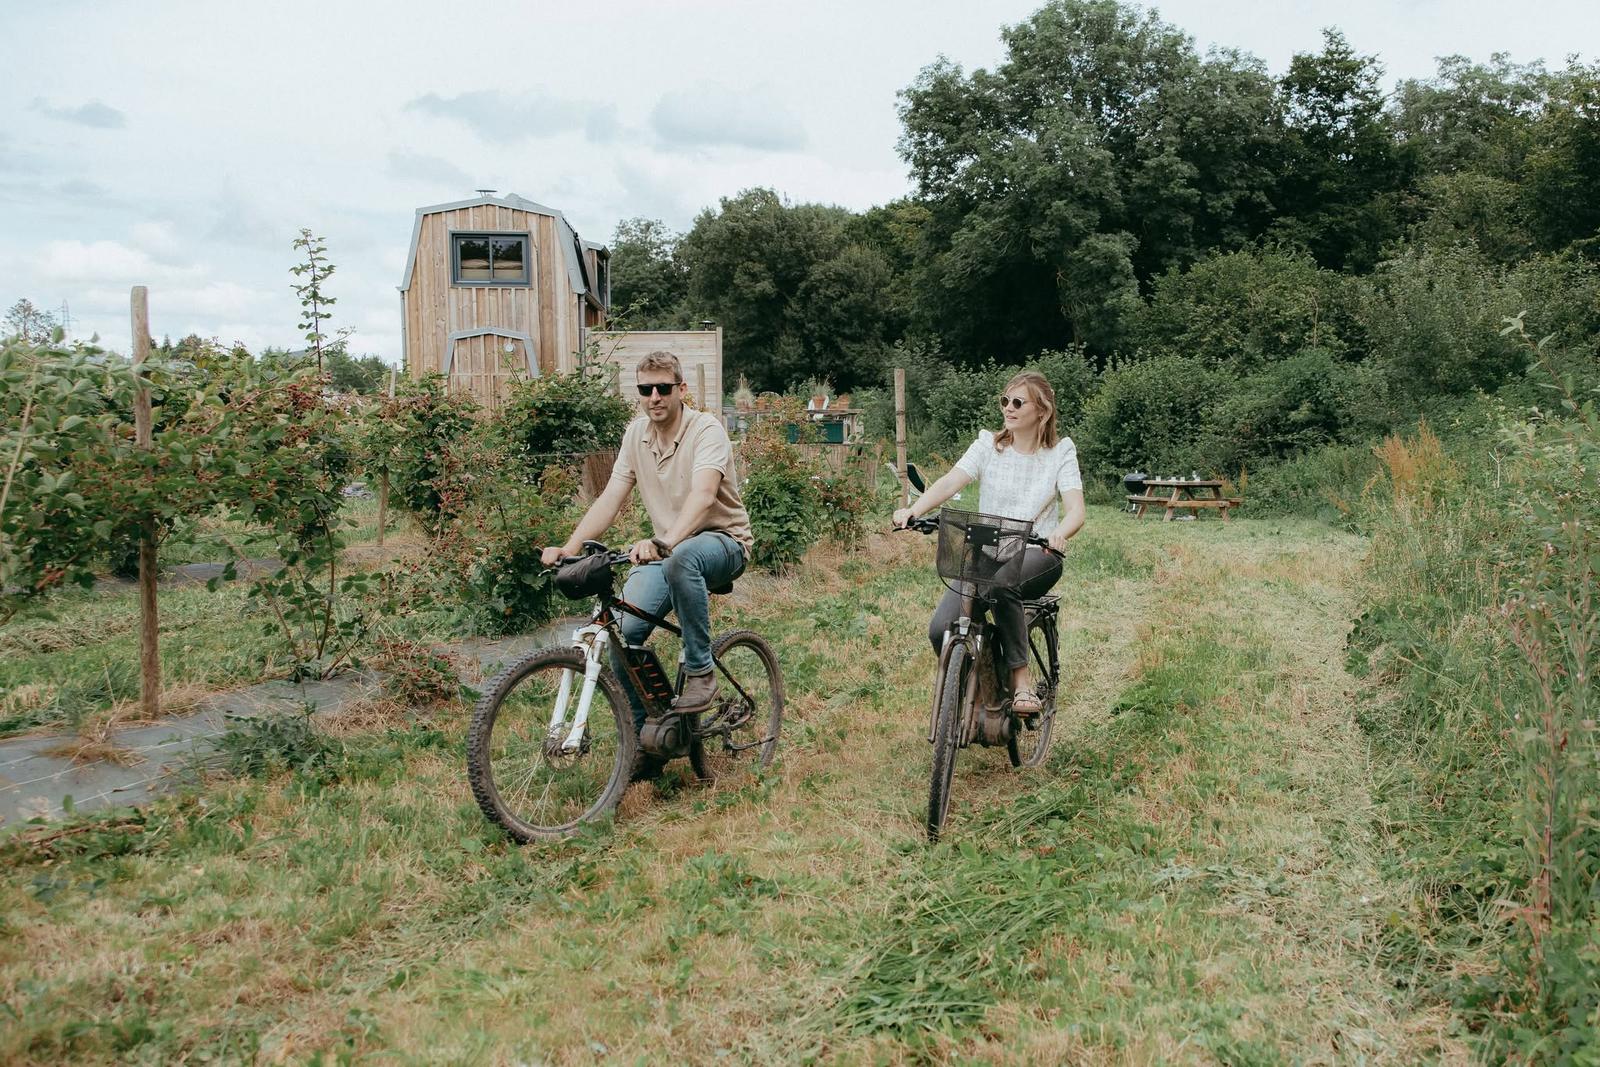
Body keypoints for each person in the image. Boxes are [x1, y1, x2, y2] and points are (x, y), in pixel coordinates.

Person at [541, 350, 752, 736]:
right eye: (645, 388)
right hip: (667, 550)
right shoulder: (635, 434)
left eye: (663, 388)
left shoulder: (707, 430)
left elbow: (704, 496)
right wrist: (569, 549)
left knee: (681, 559)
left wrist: (666, 541)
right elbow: (610, 497)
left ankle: (701, 673)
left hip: (723, 542)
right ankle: (646, 738)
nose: (654, 396)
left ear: (680, 389)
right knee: (622, 632)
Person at [892, 371, 1086, 715]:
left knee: (1001, 585)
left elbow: (1076, 510)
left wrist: (1061, 532)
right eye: (1004, 401)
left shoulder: (1060, 453)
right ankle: (981, 690)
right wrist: (913, 509)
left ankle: (1022, 681)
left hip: (1037, 553)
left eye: (1017, 402)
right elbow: (952, 480)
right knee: (942, 630)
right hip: (986, 555)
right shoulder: (988, 446)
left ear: (1041, 411)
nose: (1008, 409)